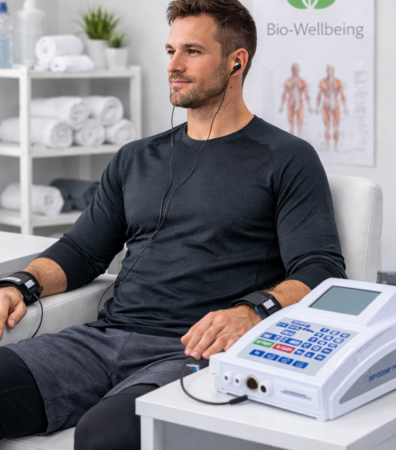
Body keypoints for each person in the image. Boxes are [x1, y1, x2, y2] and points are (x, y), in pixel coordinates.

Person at [0, 0, 345, 448]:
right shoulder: (134, 157)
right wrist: (18, 284)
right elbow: (82, 251)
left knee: (104, 436)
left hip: (196, 351)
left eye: (192, 52)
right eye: (169, 52)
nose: (174, 66)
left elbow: (320, 268)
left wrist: (250, 311)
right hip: (103, 339)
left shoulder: (286, 158)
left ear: (236, 61)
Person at [316, 64, 349, 152]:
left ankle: (335, 146)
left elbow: (342, 95)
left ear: (333, 71)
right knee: (327, 126)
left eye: (331, 70)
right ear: (326, 71)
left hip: (335, 105)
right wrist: (317, 107)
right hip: (326, 105)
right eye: (328, 70)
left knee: (336, 126)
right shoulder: (322, 82)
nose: (330, 72)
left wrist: (345, 107)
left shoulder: (338, 82)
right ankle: (327, 145)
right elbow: (319, 95)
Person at [279, 63, 312, 137]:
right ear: (292, 70)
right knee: (291, 122)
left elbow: (306, 94)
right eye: (293, 69)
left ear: (298, 70)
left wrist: (309, 106)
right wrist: (281, 105)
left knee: (300, 121)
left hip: (299, 103)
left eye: (296, 69)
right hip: (290, 103)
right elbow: (284, 94)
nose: (295, 71)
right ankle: (292, 138)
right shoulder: (288, 81)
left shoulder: (303, 82)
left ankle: (299, 137)